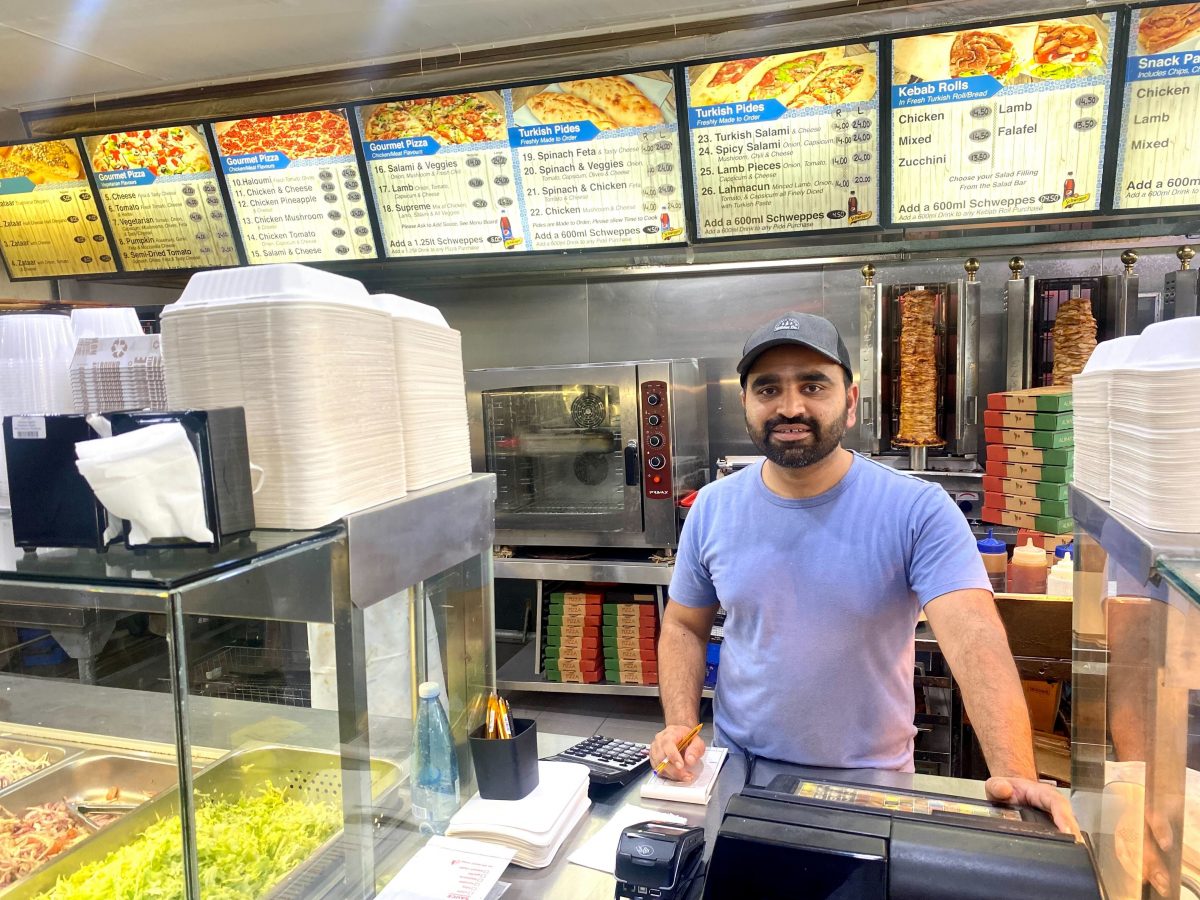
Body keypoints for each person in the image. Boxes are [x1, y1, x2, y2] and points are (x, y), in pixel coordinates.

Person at [651, 311, 1077, 833]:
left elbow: (974, 638)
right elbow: (683, 626)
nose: (790, 407)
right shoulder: (713, 509)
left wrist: (1015, 773)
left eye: (813, 385)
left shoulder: (917, 510)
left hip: (869, 782)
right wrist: (679, 725)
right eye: (768, 389)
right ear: (746, 403)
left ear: (850, 402)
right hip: (739, 770)